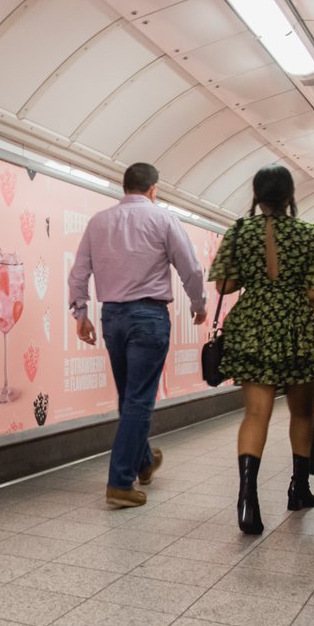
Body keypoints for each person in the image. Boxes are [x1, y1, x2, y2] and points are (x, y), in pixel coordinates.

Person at [69, 162, 207, 509]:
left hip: (112, 316)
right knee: (140, 399)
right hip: (148, 316)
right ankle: (119, 482)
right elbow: (189, 265)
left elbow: (79, 272)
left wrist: (81, 313)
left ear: (125, 186)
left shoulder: (98, 222)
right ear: (153, 189)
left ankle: (144, 461)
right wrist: (199, 303)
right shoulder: (163, 219)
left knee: (129, 395)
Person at [207, 164, 314, 535]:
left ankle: (247, 499)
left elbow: (225, 286)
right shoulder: (308, 233)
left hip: (253, 327)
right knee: (302, 413)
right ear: (290, 196)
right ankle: (299, 488)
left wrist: (255, 270)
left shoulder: (240, 231)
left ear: (256, 196)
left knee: (255, 414)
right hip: (297, 329)